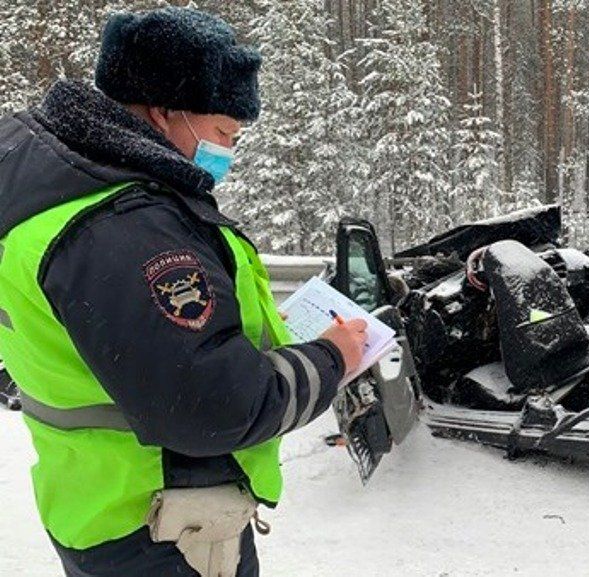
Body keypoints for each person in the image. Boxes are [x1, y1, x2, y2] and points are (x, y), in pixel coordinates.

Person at [0, 7, 367, 577]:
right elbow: (213, 407)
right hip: (164, 526)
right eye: (222, 133)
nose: (229, 151)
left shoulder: (49, 179)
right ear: (164, 111)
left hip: (93, 498)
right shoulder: (125, 229)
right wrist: (331, 358)